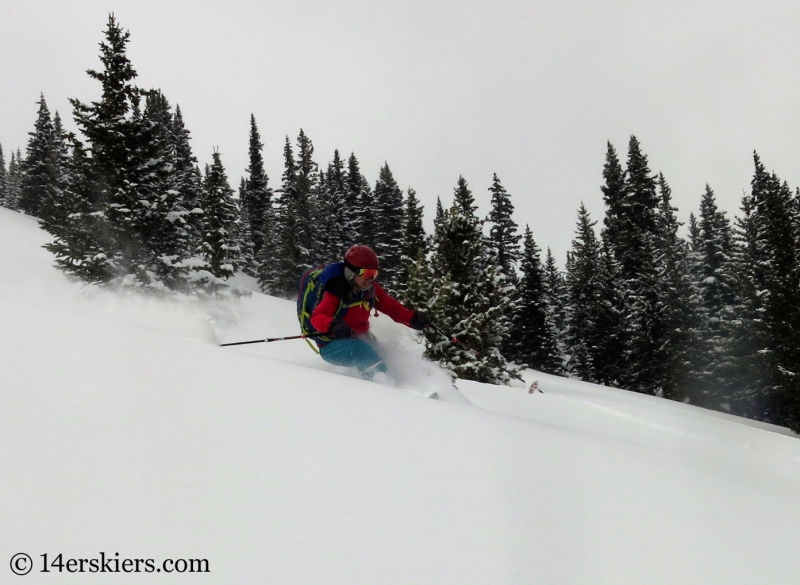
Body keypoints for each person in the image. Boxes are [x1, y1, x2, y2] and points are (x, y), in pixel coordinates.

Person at [308, 245, 431, 380]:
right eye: (366, 274)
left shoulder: (371, 291)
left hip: (358, 339)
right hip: (331, 346)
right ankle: (382, 386)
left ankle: (401, 384)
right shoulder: (335, 293)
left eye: (374, 274)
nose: (370, 279)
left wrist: (412, 318)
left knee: (381, 351)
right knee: (363, 351)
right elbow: (317, 317)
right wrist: (332, 325)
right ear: (351, 272)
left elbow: (393, 308)